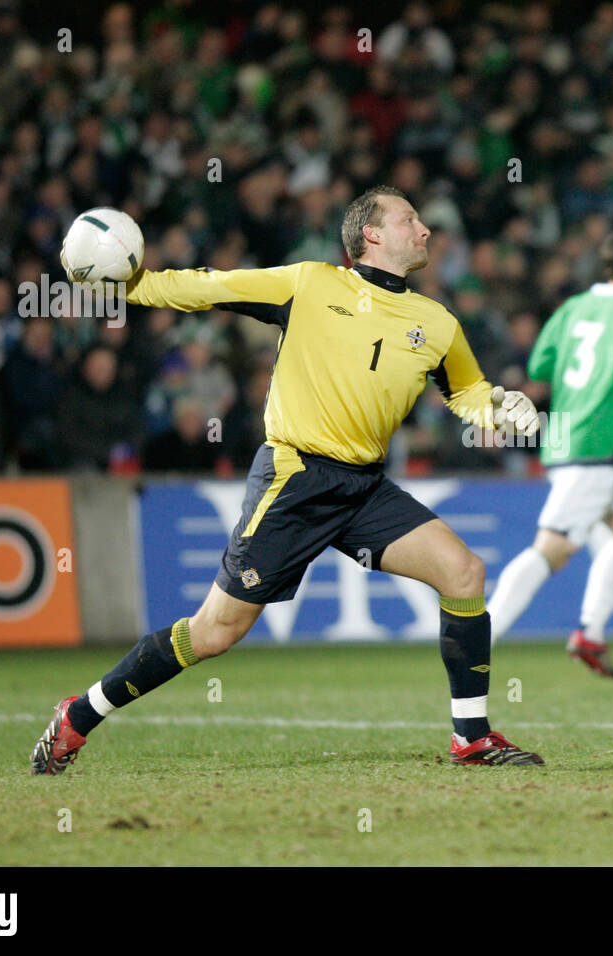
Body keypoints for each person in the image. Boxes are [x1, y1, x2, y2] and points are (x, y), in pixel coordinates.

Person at [31, 186, 544, 773]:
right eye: (411, 220)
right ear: (372, 235)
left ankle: (471, 739)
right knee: (214, 632)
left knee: (463, 572)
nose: (425, 230)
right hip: (295, 478)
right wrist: (133, 282)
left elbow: (469, 394)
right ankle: (78, 716)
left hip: (364, 488)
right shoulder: (310, 283)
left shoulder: (438, 322)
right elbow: (210, 286)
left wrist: (503, 409)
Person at [487, 225, 613, 677]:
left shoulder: (573, 307)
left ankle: (590, 633)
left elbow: (539, 364)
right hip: (595, 447)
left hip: (565, 438)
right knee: (551, 549)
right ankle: (479, 637)